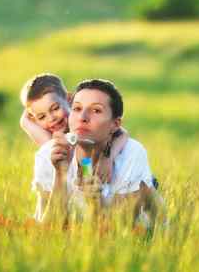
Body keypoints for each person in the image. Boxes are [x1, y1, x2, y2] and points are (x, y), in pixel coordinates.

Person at [33, 79, 165, 230]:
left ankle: (150, 186)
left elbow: (117, 231)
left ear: (115, 124)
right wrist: (60, 174)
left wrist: (96, 202)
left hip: (142, 225)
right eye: (76, 108)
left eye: (96, 110)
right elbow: (48, 230)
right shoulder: (48, 154)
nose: (82, 117)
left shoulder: (132, 154)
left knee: (146, 190)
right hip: (78, 232)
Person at [20, 74, 129, 219]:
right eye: (41, 117)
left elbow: (122, 133)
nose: (52, 118)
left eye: (55, 108)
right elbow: (25, 122)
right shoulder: (50, 141)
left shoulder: (81, 122)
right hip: (64, 185)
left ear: (69, 99)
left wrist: (107, 158)